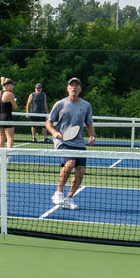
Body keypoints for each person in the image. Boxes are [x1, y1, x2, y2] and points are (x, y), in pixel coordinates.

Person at [44, 77, 95, 209]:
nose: (74, 87)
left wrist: (92, 136)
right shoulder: (60, 104)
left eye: (76, 86)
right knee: (70, 162)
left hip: (79, 142)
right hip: (62, 141)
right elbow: (48, 123)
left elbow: (89, 124)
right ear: (68, 88)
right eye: (71, 85)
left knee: (80, 170)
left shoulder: (86, 105)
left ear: (80, 89)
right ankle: (58, 192)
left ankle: (69, 199)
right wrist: (54, 133)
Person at [0, 77, 18, 148]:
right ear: (7, 85)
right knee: (10, 138)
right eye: (12, 85)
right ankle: (8, 157)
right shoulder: (10, 94)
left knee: (1, 138)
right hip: (7, 118)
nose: (13, 86)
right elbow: (15, 107)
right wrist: (14, 101)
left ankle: (0, 157)